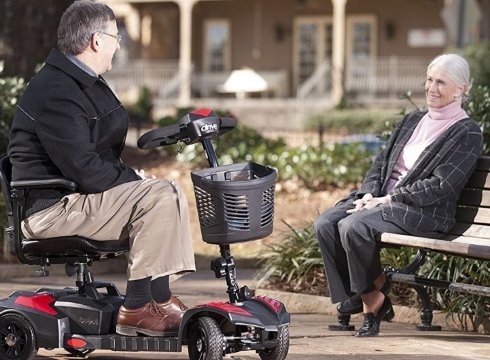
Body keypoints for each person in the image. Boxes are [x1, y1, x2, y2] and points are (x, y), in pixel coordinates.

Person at [8, 0, 196, 337]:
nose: (118, 43)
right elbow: (85, 169)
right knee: (157, 195)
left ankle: (158, 298)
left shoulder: (77, 82)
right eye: (115, 36)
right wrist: (135, 178)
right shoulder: (57, 92)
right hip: (53, 209)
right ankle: (139, 307)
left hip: (74, 198)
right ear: (96, 40)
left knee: (165, 190)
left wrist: (137, 181)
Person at [314, 53, 483, 337]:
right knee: (325, 224)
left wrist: (390, 199)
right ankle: (369, 293)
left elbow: (441, 186)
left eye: (441, 82)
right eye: (429, 79)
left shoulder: (467, 133)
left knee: (353, 226)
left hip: (425, 211)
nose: (431, 88)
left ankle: (369, 302)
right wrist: (368, 194)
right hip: (380, 202)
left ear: (461, 89)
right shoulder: (411, 120)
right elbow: (380, 163)